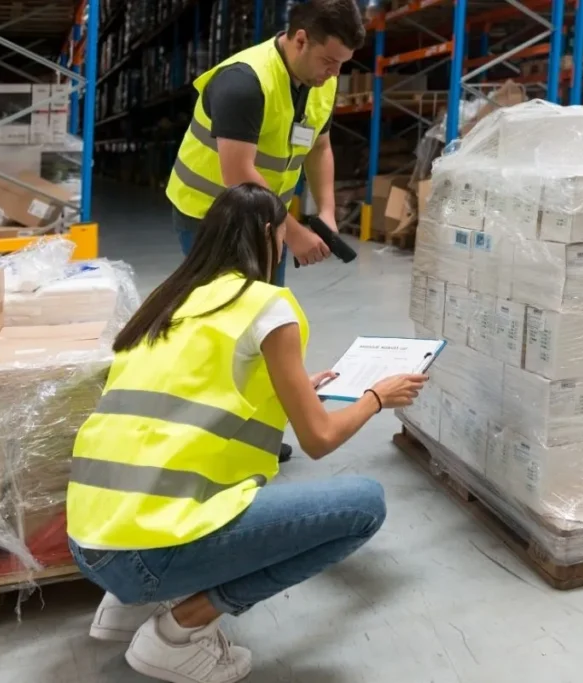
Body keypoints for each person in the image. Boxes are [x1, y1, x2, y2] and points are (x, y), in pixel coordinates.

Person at [66, 184, 427, 683]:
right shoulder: (266, 305)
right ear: (266, 236)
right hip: (144, 552)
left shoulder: (169, 301)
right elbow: (319, 441)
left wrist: (299, 385)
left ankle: (127, 606)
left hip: (89, 542)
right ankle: (178, 632)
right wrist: (377, 398)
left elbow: (190, 398)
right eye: (280, 236)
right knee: (363, 506)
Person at [166, 0, 365, 465]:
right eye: (328, 61)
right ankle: (213, 434)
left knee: (267, 322)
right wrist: (293, 231)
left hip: (265, 216)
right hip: (207, 215)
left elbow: (320, 145)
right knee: (223, 322)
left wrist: (328, 213)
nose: (333, 74)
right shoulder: (243, 81)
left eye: (342, 65)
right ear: (300, 39)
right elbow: (238, 172)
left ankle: (257, 428)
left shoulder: (320, 83)